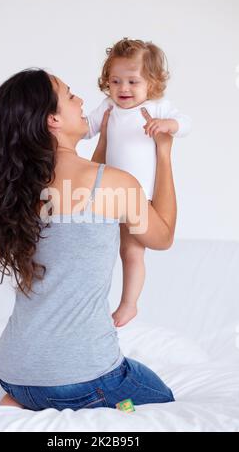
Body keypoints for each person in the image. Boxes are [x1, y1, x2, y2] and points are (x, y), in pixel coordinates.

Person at [0, 68, 176, 411]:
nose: (80, 100)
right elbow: (163, 235)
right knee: (160, 399)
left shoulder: (18, 187)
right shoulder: (116, 184)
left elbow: (82, 185)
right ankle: (103, 407)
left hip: (14, 373)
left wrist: (106, 141)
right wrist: (164, 153)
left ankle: (26, 401)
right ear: (52, 119)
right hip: (85, 378)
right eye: (69, 95)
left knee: (43, 387)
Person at [84, 38, 191, 328]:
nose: (123, 89)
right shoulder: (108, 107)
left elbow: (185, 124)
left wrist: (167, 126)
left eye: (133, 81)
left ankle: (129, 304)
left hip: (140, 199)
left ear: (153, 83)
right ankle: (93, 301)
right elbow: (86, 127)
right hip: (109, 196)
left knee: (132, 252)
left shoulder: (157, 108)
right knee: (105, 247)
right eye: (115, 81)